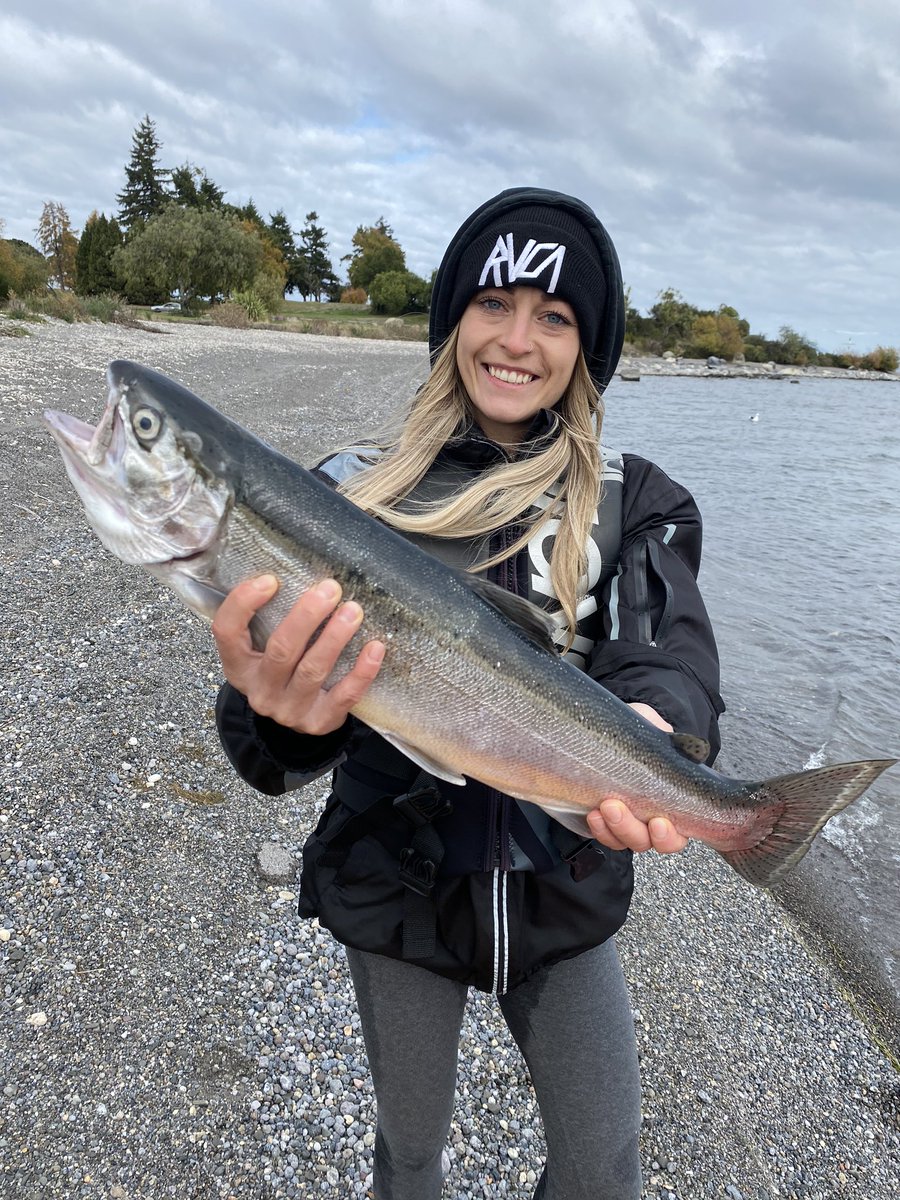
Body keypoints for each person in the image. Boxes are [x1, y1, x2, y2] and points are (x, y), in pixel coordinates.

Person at [213, 187, 724, 1200]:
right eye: (493, 302)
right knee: (409, 1154)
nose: (517, 340)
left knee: (603, 1159)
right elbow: (263, 745)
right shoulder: (349, 494)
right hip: (394, 887)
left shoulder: (639, 501)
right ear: (453, 320)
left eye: (556, 315)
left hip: (563, 889)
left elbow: (667, 651)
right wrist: (278, 715)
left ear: (588, 345)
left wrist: (661, 727)